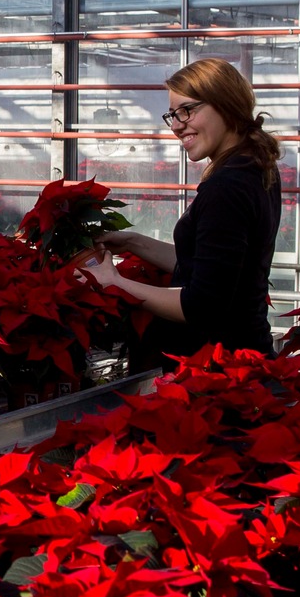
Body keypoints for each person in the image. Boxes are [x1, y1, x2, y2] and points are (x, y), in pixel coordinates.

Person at [83, 57, 282, 369]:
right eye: (172, 115)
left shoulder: (227, 186)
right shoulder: (252, 167)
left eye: (187, 110)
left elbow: (202, 305)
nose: (176, 125)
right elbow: (213, 268)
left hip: (217, 376)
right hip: (241, 362)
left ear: (225, 105)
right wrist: (135, 242)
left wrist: (113, 281)